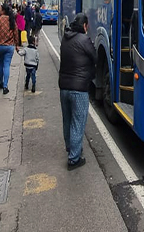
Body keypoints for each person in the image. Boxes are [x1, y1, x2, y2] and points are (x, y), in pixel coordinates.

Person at [59, 13, 96, 170]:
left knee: (67, 121)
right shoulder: (84, 39)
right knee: (77, 123)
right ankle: (74, 159)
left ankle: (70, 149)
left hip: (64, 88)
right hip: (79, 90)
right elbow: (95, 57)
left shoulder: (65, 39)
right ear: (85, 26)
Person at [0, 3, 21, 94]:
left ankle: (0, 82)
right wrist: (16, 45)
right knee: (7, 65)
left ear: (3, 10)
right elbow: (16, 33)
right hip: (9, 47)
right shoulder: (12, 20)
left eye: (0, 9)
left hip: (0, 46)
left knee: (0, 65)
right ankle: (5, 86)